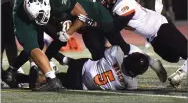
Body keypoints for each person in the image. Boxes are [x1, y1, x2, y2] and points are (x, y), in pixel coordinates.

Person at [97, 0, 188, 87]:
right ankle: (159, 64)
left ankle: (181, 74)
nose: (105, 2)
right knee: (173, 58)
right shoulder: (117, 6)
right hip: (153, 38)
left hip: (162, 27)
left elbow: (116, 27)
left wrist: (98, 24)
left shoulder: (124, 4)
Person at [12, 45, 167, 90]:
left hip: (80, 67)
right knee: (53, 79)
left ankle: (59, 58)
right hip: (81, 85)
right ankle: (23, 79)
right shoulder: (131, 83)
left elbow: (114, 48)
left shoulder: (116, 54)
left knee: (93, 59)